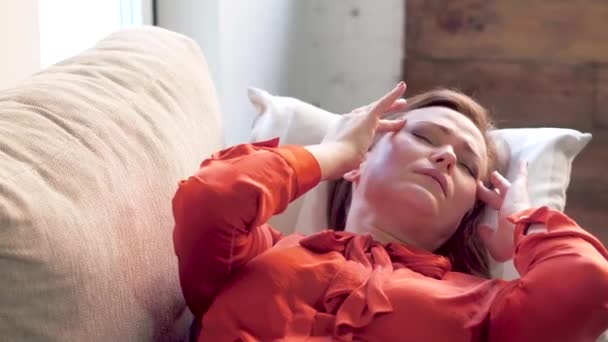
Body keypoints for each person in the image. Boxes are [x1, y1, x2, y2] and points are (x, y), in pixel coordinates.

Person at [172, 82, 608, 341]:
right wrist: (333, 150)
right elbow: (213, 196)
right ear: (359, 164)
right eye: (424, 137)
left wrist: (523, 221)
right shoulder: (255, 252)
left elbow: (588, 286)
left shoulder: (487, 306)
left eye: (468, 164)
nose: (447, 158)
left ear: (467, 214)